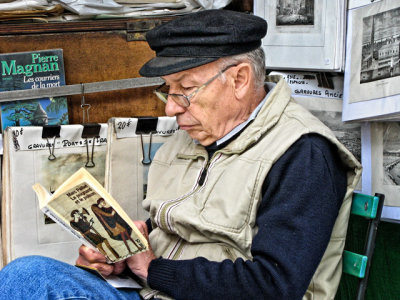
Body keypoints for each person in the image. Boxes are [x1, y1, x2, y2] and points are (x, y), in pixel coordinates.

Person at [0, 9, 361, 300]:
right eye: (168, 91)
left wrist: (152, 270)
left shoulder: (303, 153)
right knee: (26, 274)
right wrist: (123, 256)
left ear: (239, 79)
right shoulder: (193, 136)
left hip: (164, 287)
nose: (171, 108)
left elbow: (275, 284)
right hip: (151, 290)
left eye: (185, 90)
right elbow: (172, 228)